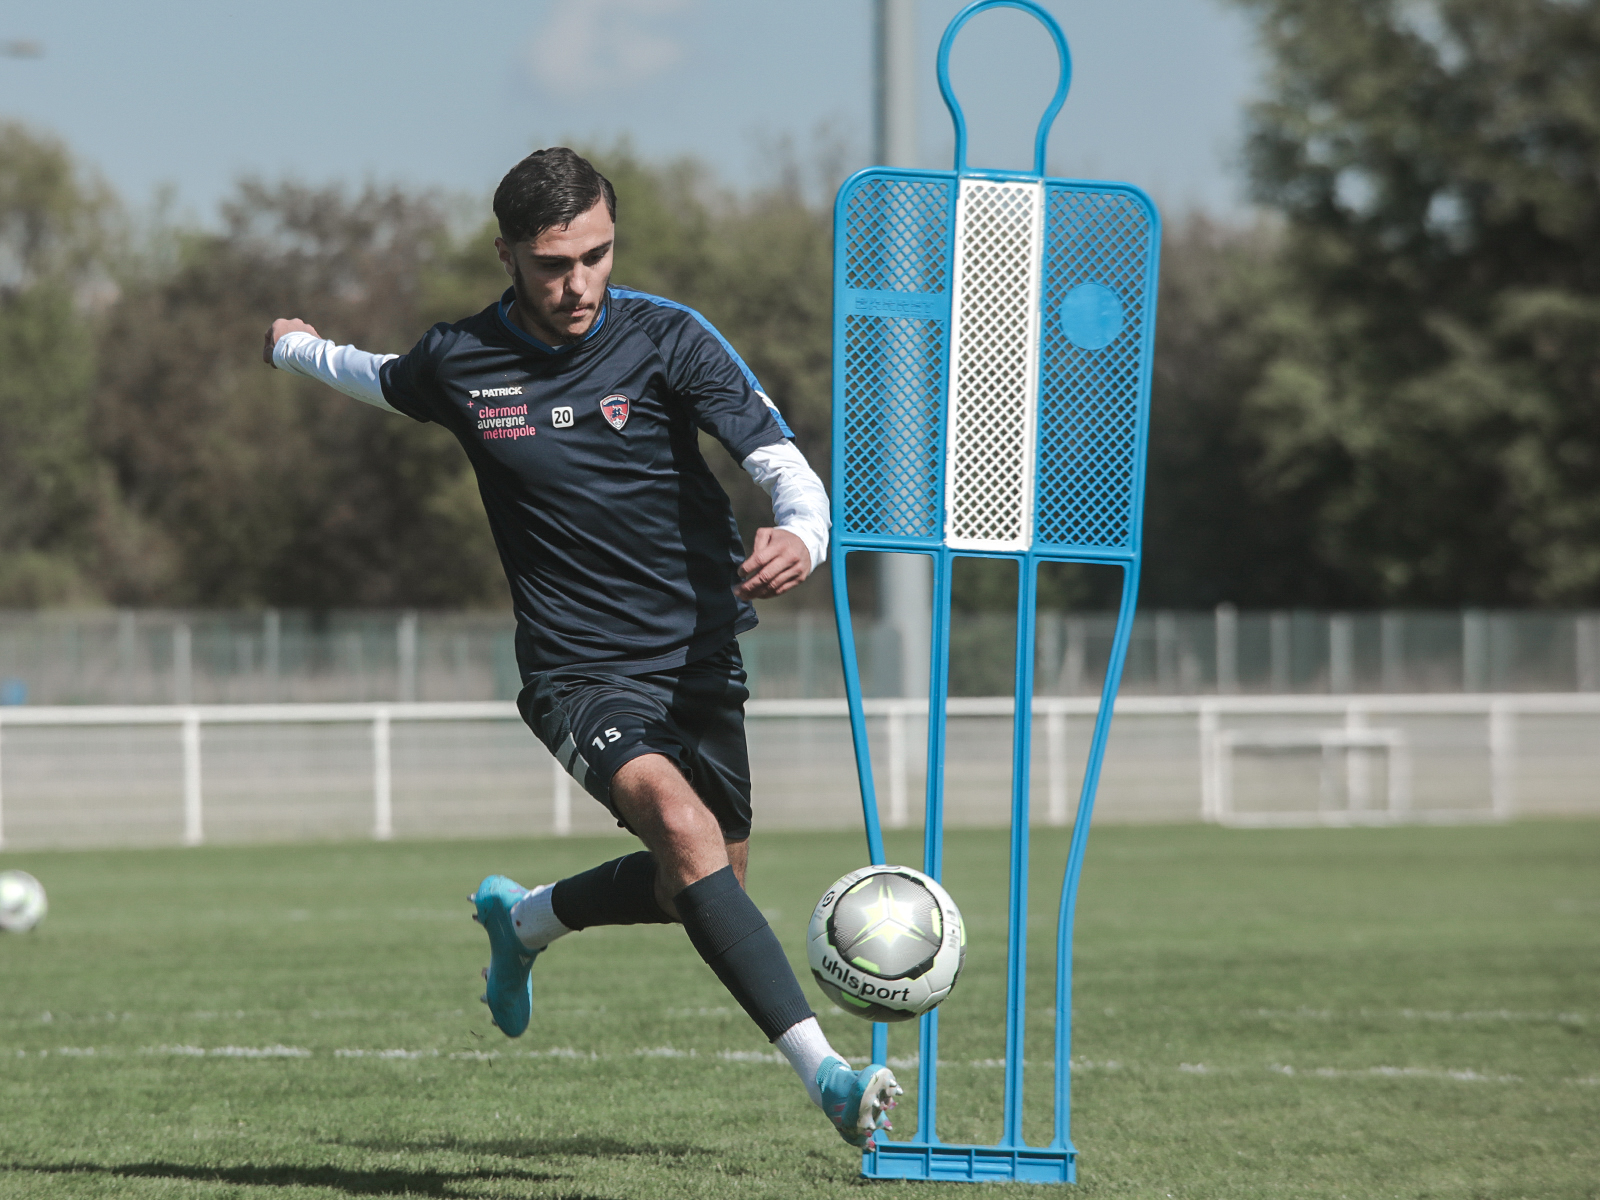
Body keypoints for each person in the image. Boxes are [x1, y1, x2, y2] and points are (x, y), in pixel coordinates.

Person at [262, 147, 900, 1148]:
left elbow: (779, 460)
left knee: (705, 878)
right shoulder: (461, 361)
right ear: (509, 253)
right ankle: (827, 1079)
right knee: (686, 841)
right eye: (555, 263)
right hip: (574, 671)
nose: (579, 284)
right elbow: (377, 377)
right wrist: (294, 349)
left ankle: (524, 923)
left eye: (597, 256)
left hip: (697, 655)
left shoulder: (669, 340)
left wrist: (802, 535)